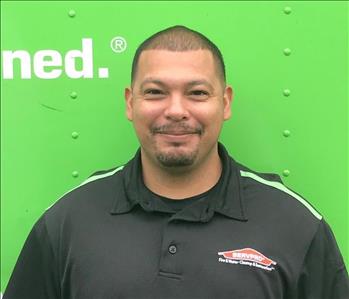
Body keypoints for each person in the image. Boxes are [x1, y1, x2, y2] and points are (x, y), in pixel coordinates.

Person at [3, 25, 349, 299]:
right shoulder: (69, 220)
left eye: (197, 92)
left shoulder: (294, 224)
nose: (176, 110)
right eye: (155, 92)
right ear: (130, 102)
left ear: (225, 103)